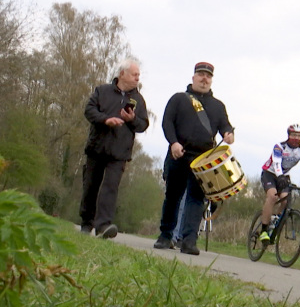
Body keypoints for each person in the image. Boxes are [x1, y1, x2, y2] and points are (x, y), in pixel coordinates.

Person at [154, 61, 234, 255]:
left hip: (204, 160)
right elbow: (167, 122)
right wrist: (173, 142)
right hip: (178, 153)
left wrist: (229, 134)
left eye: (208, 76)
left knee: (196, 199)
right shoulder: (179, 99)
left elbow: (226, 126)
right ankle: (165, 236)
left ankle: (189, 240)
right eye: (201, 74)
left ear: (211, 80)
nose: (204, 79)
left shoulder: (218, 106)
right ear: (193, 77)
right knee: (173, 196)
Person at [79, 57, 149, 238]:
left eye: (138, 75)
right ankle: (86, 223)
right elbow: (89, 110)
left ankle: (103, 226)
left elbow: (143, 125)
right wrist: (105, 120)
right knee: (91, 186)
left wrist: (132, 119)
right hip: (97, 147)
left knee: (110, 187)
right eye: (134, 74)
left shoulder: (138, 100)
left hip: (119, 152)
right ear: (122, 74)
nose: (137, 78)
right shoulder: (102, 91)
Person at [258, 124, 300, 243]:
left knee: (285, 200)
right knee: (272, 196)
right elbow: (276, 162)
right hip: (269, 173)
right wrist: (279, 175)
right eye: (294, 135)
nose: (296, 138)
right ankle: (263, 230)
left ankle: (275, 219)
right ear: (289, 135)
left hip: (283, 176)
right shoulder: (279, 147)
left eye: (299, 135)